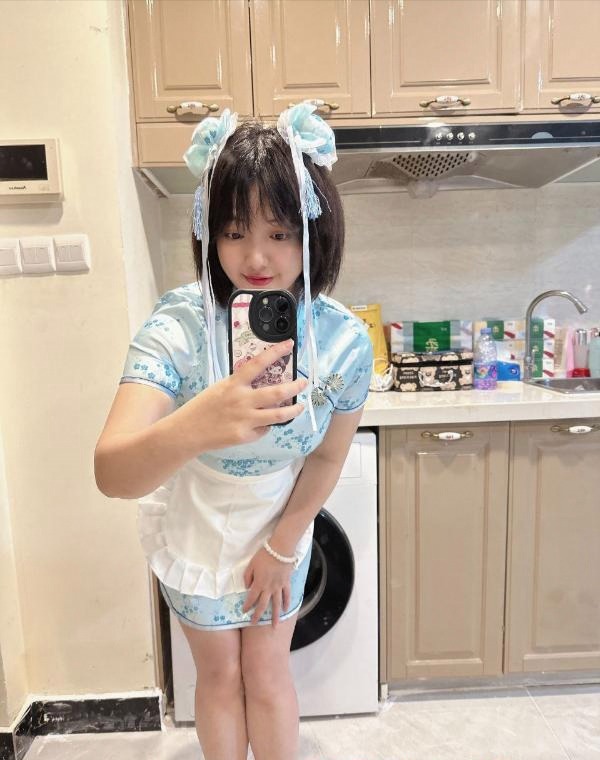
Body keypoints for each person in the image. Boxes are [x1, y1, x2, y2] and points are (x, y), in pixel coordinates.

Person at [94, 102, 373, 760]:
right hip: (198, 522)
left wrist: (281, 545)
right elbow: (112, 472)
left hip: (282, 522)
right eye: (233, 231)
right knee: (219, 677)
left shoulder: (342, 341)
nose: (256, 257)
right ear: (207, 232)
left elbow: (327, 458)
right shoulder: (177, 326)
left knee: (269, 675)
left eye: (281, 232)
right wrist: (197, 426)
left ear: (314, 232)